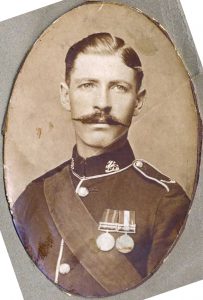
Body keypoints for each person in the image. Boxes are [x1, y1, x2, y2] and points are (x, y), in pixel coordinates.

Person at [13, 32, 190, 297]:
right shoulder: (32, 197)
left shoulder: (166, 203)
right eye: (87, 85)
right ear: (65, 95)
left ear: (138, 102)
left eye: (119, 87)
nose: (102, 104)